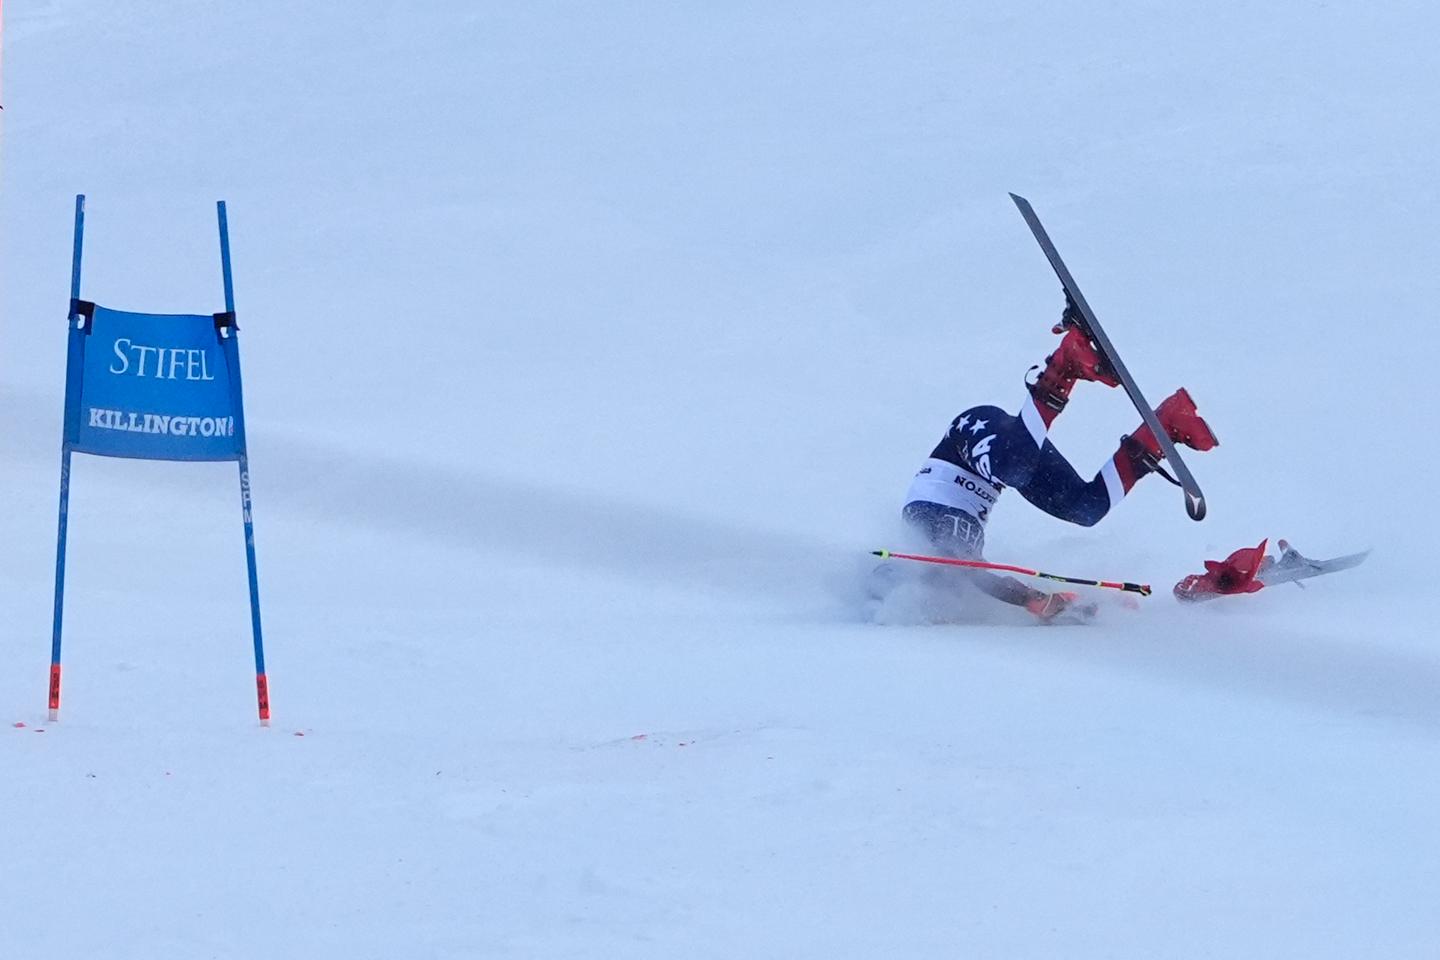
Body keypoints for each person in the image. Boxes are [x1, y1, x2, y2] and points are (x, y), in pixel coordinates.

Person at [898, 301, 1219, 621]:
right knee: (1086, 509)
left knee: (1014, 470)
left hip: (970, 438)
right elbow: (981, 577)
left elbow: (970, 573)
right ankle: (1163, 427)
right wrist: (1080, 607)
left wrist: (1033, 599)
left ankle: (1064, 364)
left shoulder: (923, 540)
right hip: (1004, 466)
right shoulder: (963, 567)